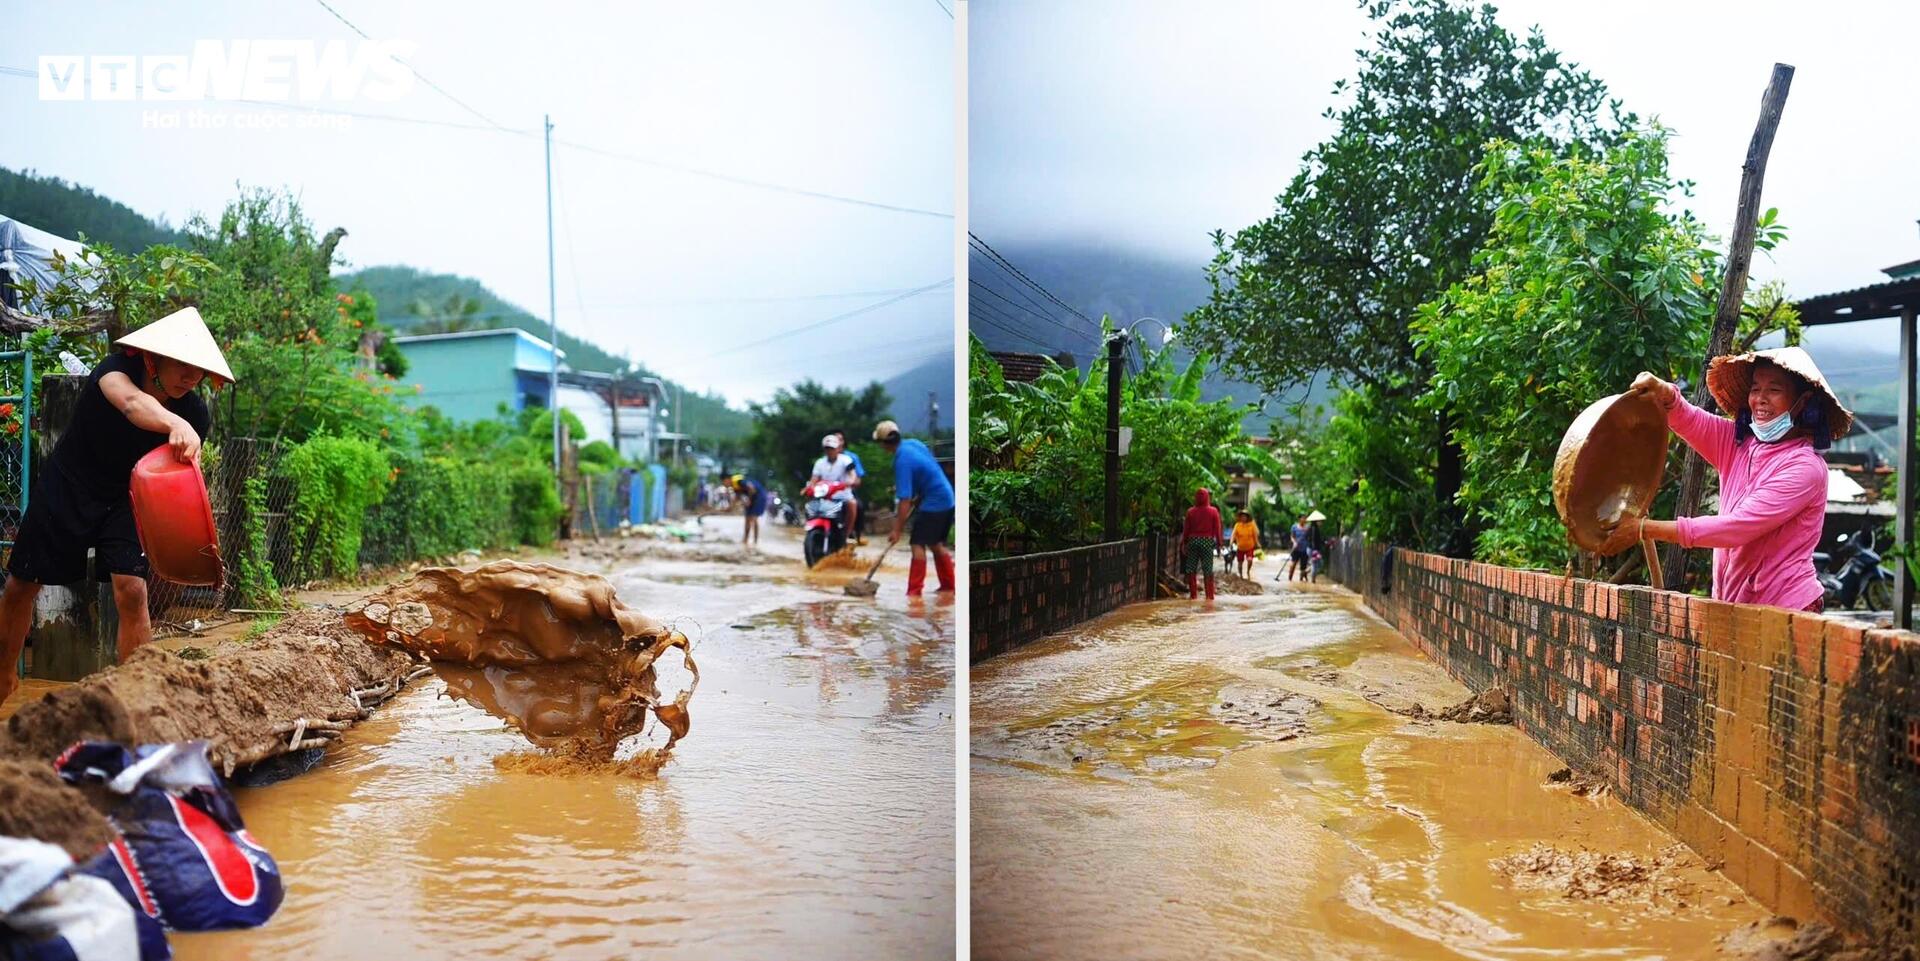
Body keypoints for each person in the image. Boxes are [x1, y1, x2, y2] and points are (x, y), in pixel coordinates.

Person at [0, 307, 232, 702]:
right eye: (182, 365)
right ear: (150, 357)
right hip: (71, 483)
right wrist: (174, 424)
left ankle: (139, 701)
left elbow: (175, 485)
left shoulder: (194, 412)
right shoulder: (113, 370)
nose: (191, 377)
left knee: (132, 591)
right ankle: (4, 679)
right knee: (22, 584)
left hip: (129, 497)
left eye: (198, 369)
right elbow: (129, 403)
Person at [1621, 347, 1850, 612]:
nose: (1760, 399)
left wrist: (1644, 529)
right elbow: (1688, 418)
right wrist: (1664, 392)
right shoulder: (1738, 445)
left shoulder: (1805, 467)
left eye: (1774, 390)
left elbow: (1735, 528)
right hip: (1737, 605)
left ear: (1804, 401)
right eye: (1755, 389)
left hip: (1787, 607)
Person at [873, 419, 954, 596]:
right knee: (935, 544)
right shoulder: (914, 444)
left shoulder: (901, 461)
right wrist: (920, 494)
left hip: (934, 502)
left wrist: (896, 530)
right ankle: (949, 586)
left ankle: (914, 592)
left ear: (883, 444)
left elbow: (904, 500)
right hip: (947, 497)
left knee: (917, 544)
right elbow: (927, 469)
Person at [809, 434, 859, 545]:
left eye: (832, 448)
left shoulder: (846, 460)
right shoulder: (820, 463)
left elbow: (852, 474)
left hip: (843, 495)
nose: (829, 451)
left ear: (838, 448)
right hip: (826, 496)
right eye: (827, 448)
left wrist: (850, 481)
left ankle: (847, 533)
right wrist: (810, 487)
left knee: (852, 503)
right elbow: (814, 479)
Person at [1178, 488, 1223, 600]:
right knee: (1208, 570)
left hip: (1193, 542)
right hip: (1207, 542)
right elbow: (1217, 529)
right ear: (1208, 497)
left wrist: (1184, 543)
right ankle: (1209, 597)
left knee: (1191, 570)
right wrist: (1219, 544)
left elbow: (1186, 530)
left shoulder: (1190, 511)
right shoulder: (1213, 511)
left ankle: (1193, 596)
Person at [830, 429, 866, 544]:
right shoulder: (824, 461)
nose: (838, 443)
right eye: (835, 440)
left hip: (846, 492)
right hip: (828, 493)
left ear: (844, 442)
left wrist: (851, 483)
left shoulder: (851, 458)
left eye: (840, 440)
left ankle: (856, 534)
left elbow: (857, 478)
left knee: (858, 506)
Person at [730, 474, 767, 545]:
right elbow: (737, 497)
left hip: (759, 497)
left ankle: (755, 541)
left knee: (754, 518)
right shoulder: (735, 487)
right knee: (747, 518)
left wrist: (749, 500)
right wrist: (731, 507)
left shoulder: (740, 481)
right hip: (751, 498)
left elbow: (752, 489)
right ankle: (745, 540)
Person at [1231, 509, 1260, 579]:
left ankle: (1248, 571)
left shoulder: (1251, 525)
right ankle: (1241, 575)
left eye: (1245, 516)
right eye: (1242, 516)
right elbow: (1233, 535)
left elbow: (1255, 535)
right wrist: (1231, 542)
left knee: (1250, 560)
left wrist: (1257, 544)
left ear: (1247, 518)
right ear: (1240, 517)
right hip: (1240, 547)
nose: (1243, 518)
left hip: (1250, 547)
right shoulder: (1237, 525)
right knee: (1240, 563)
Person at [1287, 516, 1312, 583]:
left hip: (1304, 549)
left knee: (1303, 567)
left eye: (1305, 518)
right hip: (1296, 549)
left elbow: (1310, 537)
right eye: (1303, 518)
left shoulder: (1308, 528)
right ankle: (1289, 579)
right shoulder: (1294, 527)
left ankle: (1301, 581)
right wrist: (1294, 542)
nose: (1304, 519)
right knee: (1293, 564)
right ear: (1299, 519)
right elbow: (1292, 536)